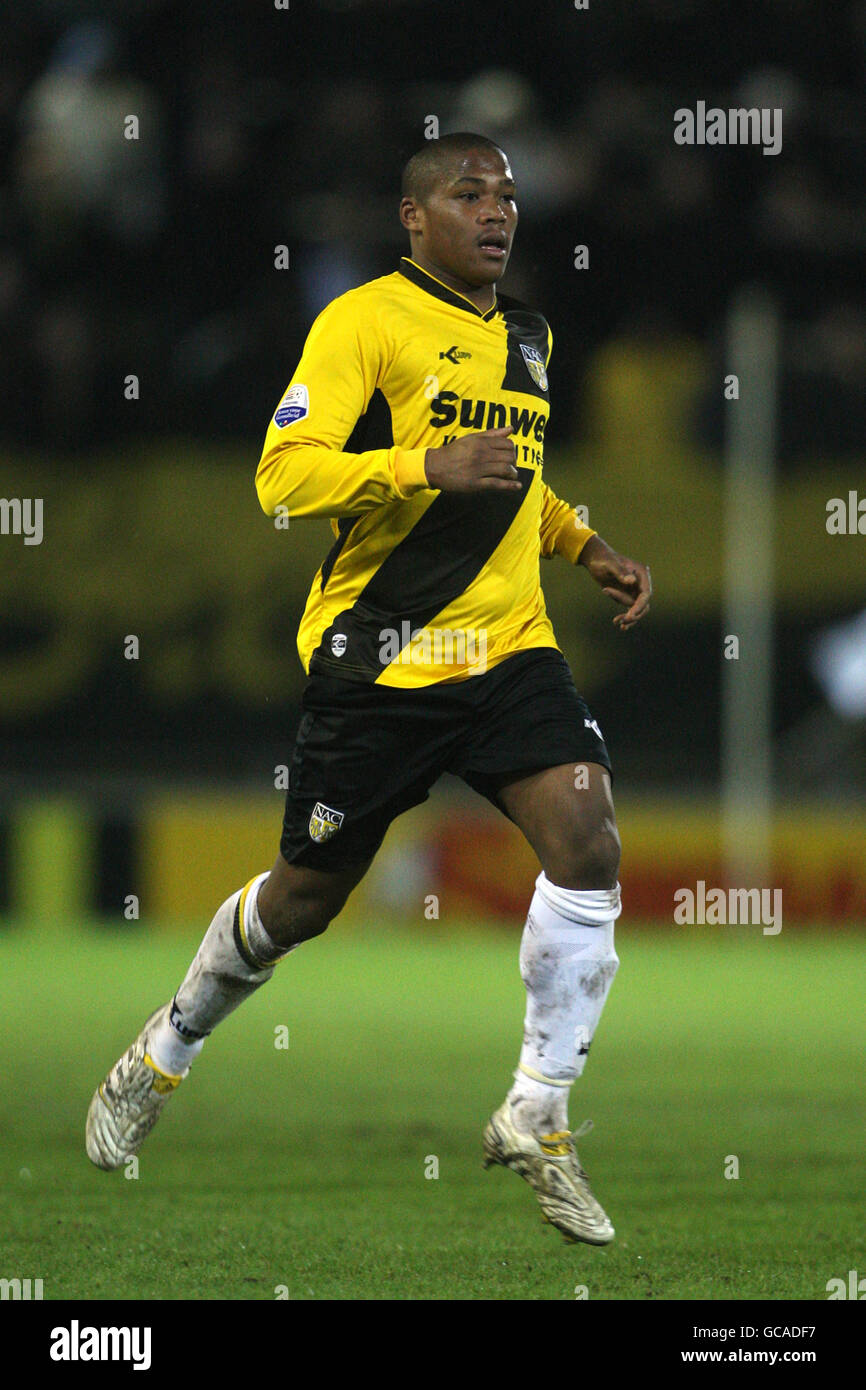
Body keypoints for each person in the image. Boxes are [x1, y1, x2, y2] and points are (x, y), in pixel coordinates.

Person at [86, 132, 651, 1246]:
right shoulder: (360, 323)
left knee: (586, 840)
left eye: (506, 197)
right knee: (302, 900)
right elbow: (281, 480)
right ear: (413, 216)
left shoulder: (529, 333)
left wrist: (581, 544)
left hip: (505, 651)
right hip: (382, 658)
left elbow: (515, 481)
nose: (494, 212)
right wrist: (415, 463)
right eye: (466, 194)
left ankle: (536, 1109)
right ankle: (165, 1048)